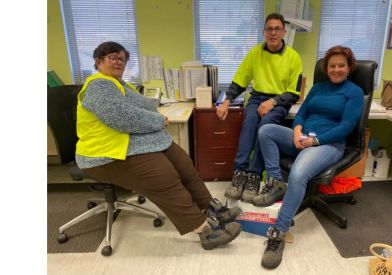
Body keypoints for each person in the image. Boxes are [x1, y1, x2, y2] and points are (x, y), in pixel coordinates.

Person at [75, 41, 242, 250]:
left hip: (126, 144)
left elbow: (146, 105)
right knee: (164, 175)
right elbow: (122, 118)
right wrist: (157, 120)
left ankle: (212, 208)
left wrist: (154, 114)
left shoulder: (120, 85)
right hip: (103, 154)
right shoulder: (98, 85)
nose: (119, 62)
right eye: (112, 58)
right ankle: (204, 230)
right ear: (98, 62)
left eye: (122, 59)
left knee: (183, 163)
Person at [251, 45, 364, 269]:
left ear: (349, 67)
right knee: (266, 131)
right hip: (303, 138)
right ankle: (275, 183)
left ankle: (279, 232)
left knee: (298, 173)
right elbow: (302, 112)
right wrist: (296, 130)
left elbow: (346, 127)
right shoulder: (319, 87)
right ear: (326, 68)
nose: (336, 69)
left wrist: (315, 141)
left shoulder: (354, 92)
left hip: (328, 144)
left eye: (341, 65)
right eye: (332, 65)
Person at [217, 13, 303, 203]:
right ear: (264, 32)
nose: (273, 33)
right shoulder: (255, 53)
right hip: (257, 97)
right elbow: (240, 80)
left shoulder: (293, 57)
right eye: (269, 29)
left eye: (277, 29)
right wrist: (226, 101)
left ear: (283, 32)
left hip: (279, 101)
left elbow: (294, 92)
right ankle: (240, 173)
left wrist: (273, 101)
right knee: (249, 122)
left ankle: (255, 175)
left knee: (265, 126)